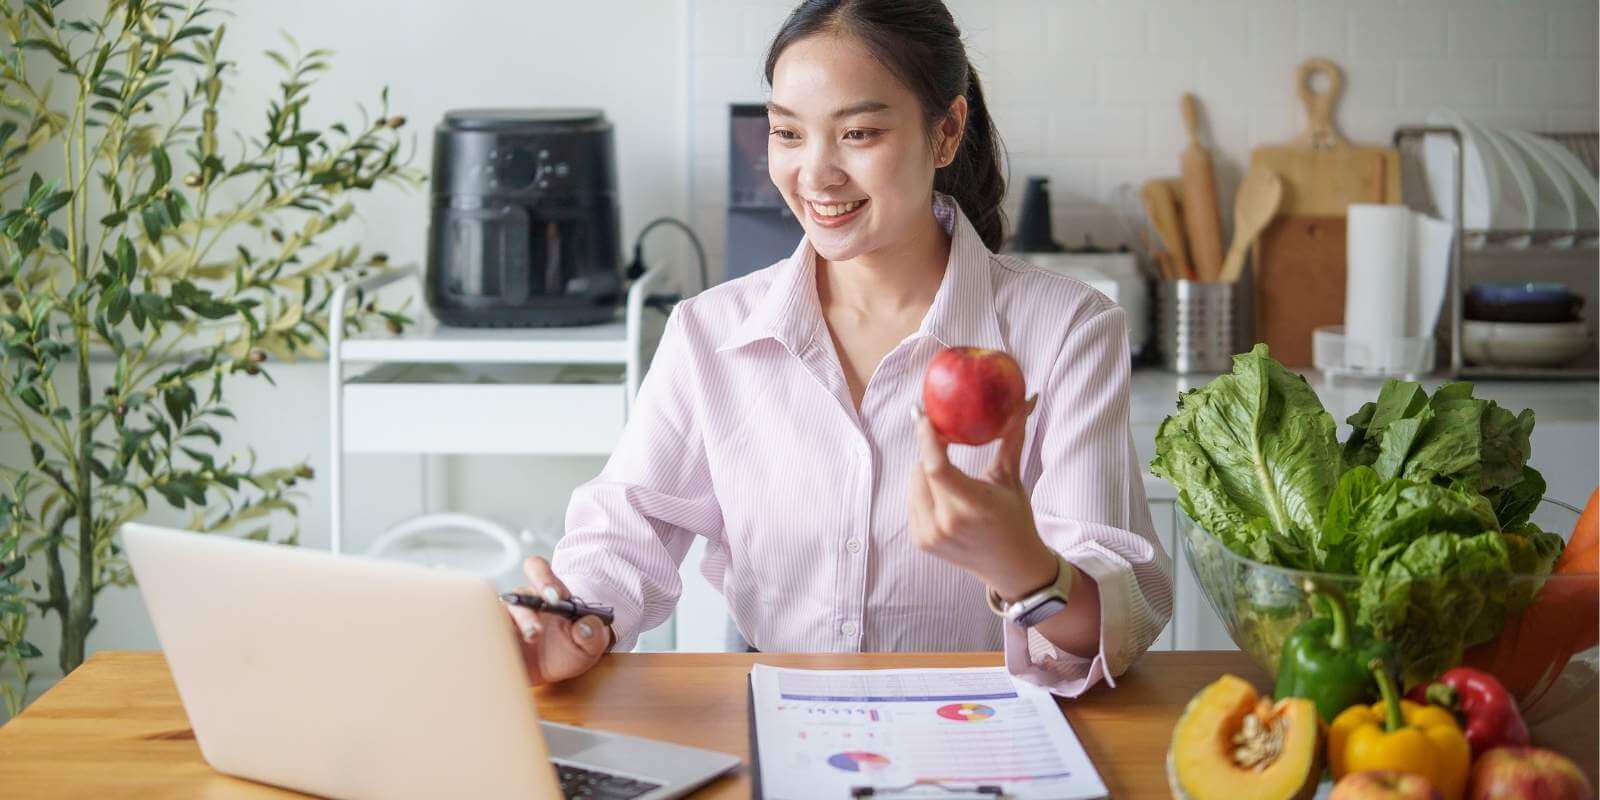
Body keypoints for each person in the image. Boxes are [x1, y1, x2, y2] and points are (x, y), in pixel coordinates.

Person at [504, 0, 1172, 697]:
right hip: (776, 717)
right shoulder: (710, 332)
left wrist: (1026, 567)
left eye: (858, 133)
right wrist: (572, 617)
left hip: (983, 724)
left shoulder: (1068, 329)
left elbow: (1118, 632)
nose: (816, 174)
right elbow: (626, 526)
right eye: (788, 134)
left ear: (945, 132)